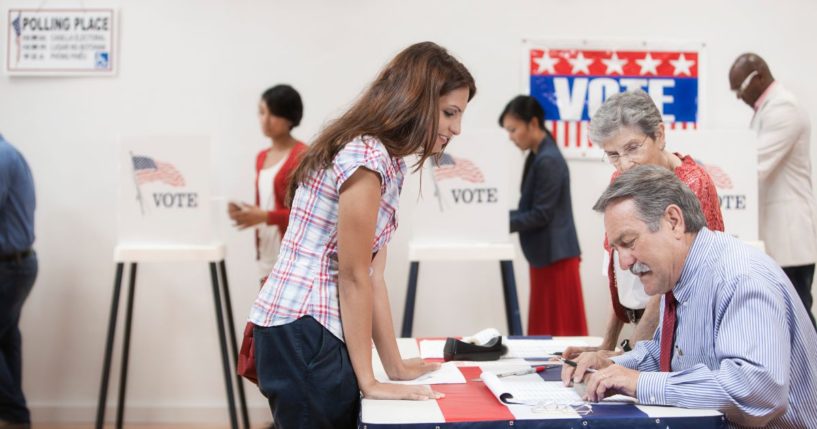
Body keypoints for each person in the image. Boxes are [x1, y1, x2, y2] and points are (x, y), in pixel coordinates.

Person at [244, 42, 476, 428]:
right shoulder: (366, 156)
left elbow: (373, 277)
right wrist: (369, 380)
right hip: (305, 328)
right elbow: (352, 276)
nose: (457, 128)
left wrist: (394, 367)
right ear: (415, 101)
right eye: (450, 113)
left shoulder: (386, 159)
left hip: (312, 330)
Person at [561, 165, 817, 428]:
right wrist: (612, 364)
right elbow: (669, 356)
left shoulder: (740, 278)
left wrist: (639, 383)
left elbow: (757, 391)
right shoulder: (682, 277)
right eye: (617, 248)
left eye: (629, 242)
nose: (624, 262)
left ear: (673, 221)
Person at [566, 90, 724, 359]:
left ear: (659, 135)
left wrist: (626, 359)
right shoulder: (621, 180)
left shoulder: (691, 184)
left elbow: (669, 280)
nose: (625, 164)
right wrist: (607, 345)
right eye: (613, 154)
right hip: (646, 331)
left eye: (632, 148)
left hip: (685, 336)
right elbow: (618, 267)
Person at [729, 53, 817, 328]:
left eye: (739, 90)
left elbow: (755, 166)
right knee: (782, 317)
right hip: (777, 237)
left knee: (798, 317)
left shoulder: (784, 109)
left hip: (789, 237)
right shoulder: (766, 110)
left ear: (759, 76)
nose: (738, 98)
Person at [498, 95, 586, 335]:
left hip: (555, 258)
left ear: (533, 124)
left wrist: (499, 222)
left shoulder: (548, 160)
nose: (511, 137)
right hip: (548, 255)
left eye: (513, 129)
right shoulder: (539, 154)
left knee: (559, 330)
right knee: (549, 328)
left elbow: (540, 214)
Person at [228, 85, 308, 280]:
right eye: (262, 112)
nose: (264, 120)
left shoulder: (303, 156)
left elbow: (307, 215)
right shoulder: (261, 157)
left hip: (292, 256)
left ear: (289, 116)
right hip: (266, 252)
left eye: (272, 114)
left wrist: (265, 216)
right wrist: (246, 212)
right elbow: (266, 204)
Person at [0, 134, 37, 427]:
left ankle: (15, 415)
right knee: (7, 336)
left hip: (9, 267)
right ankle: (13, 419)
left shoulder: (2, 157)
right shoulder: (10, 152)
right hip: (16, 264)